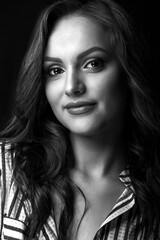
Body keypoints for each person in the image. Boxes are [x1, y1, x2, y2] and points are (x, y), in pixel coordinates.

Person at [0, 0, 160, 239]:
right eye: (56, 70)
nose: (72, 87)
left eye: (92, 63)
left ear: (128, 72)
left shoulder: (153, 196)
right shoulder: (6, 168)